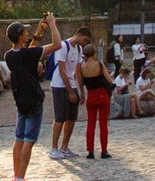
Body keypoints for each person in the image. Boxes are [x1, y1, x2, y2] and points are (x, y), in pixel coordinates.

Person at [4, 15, 56, 181]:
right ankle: (20, 180)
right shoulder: (29, 54)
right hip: (33, 99)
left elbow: (28, 54)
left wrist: (40, 32)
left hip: (20, 100)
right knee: (29, 140)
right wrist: (53, 25)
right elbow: (56, 45)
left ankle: (16, 179)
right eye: (25, 32)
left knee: (18, 138)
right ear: (20, 36)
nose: (27, 33)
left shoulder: (9, 56)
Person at [76, 29, 114, 158]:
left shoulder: (82, 67)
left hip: (90, 95)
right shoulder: (99, 64)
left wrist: (82, 94)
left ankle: (90, 151)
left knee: (90, 124)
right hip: (102, 95)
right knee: (103, 124)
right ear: (94, 53)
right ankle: (104, 150)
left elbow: (80, 82)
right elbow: (108, 79)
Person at [48, 27, 84, 158]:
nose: (85, 42)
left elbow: (77, 71)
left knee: (71, 117)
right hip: (59, 85)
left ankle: (64, 146)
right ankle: (54, 148)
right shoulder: (64, 46)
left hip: (71, 84)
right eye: (84, 39)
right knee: (60, 117)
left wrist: (81, 91)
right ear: (79, 35)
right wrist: (70, 91)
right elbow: (62, 70)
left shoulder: (79, 49)